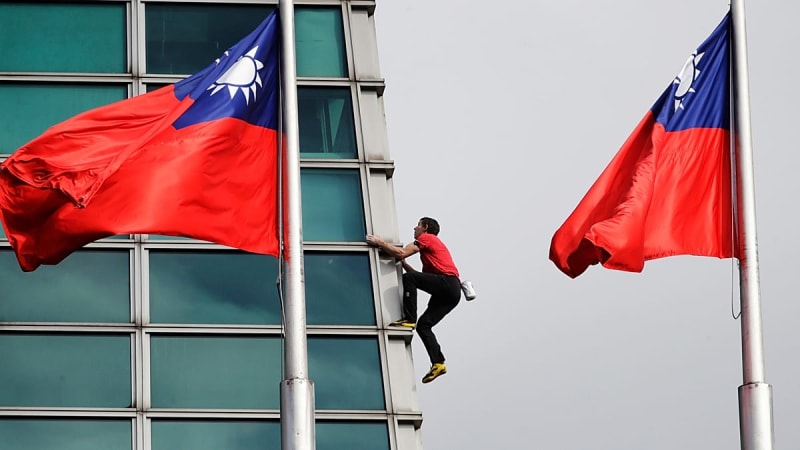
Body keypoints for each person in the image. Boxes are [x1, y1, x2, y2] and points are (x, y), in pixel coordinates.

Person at [366, 217, 462, 384]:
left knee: (409, 279)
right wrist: (403, 263)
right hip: (451, 292)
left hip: (448, 284)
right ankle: (438, 363)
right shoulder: (431, 252)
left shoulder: (427, 238)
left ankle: (409, 320)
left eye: (418, 225)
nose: (414, 228)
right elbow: (418, 275)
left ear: (425, 227)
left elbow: (403, 253)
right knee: (424, 326)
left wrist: (380, 242)